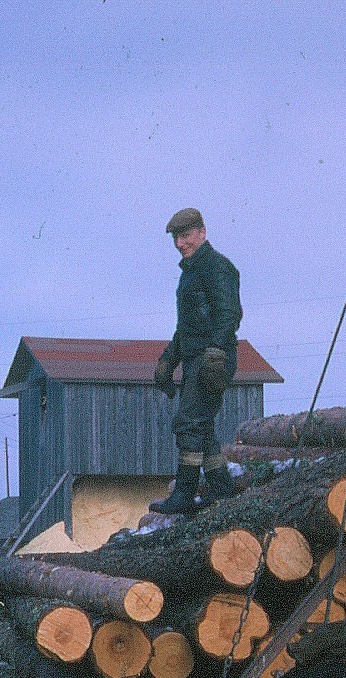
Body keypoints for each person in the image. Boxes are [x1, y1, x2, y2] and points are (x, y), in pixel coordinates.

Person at [151, 207, 242, 514]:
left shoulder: (218, 267)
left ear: (202, 233)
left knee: (189, 423)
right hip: (195, 360)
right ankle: (221, 489)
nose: (180, 243)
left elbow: (229, 313)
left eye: (186, 235)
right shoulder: (190, 274)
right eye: (177, 237)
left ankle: (184, 495)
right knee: (201, 426)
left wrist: (216, 352)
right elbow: (185, 329)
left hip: (212, 360)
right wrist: (168, 360)